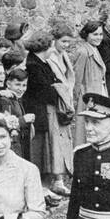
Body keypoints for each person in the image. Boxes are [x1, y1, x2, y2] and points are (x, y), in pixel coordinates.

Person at [25, 26, 76, 198]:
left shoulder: (41, 63)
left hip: (45, 111)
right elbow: (45, 91)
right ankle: (41, 188)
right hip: (39, 112)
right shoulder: (33, 65)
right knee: (40, 151)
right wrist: (58, 89)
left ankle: (48, 186)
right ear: (45, 48)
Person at [71, 19, 107, 146]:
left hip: (98, 93)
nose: (98, 37)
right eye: (95, 34)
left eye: (100, 34)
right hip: (87, 96)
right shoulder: (83, 52)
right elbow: (76, 79)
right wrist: (77, 99)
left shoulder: (95, 49)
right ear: (87, 35)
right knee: (84, 131)